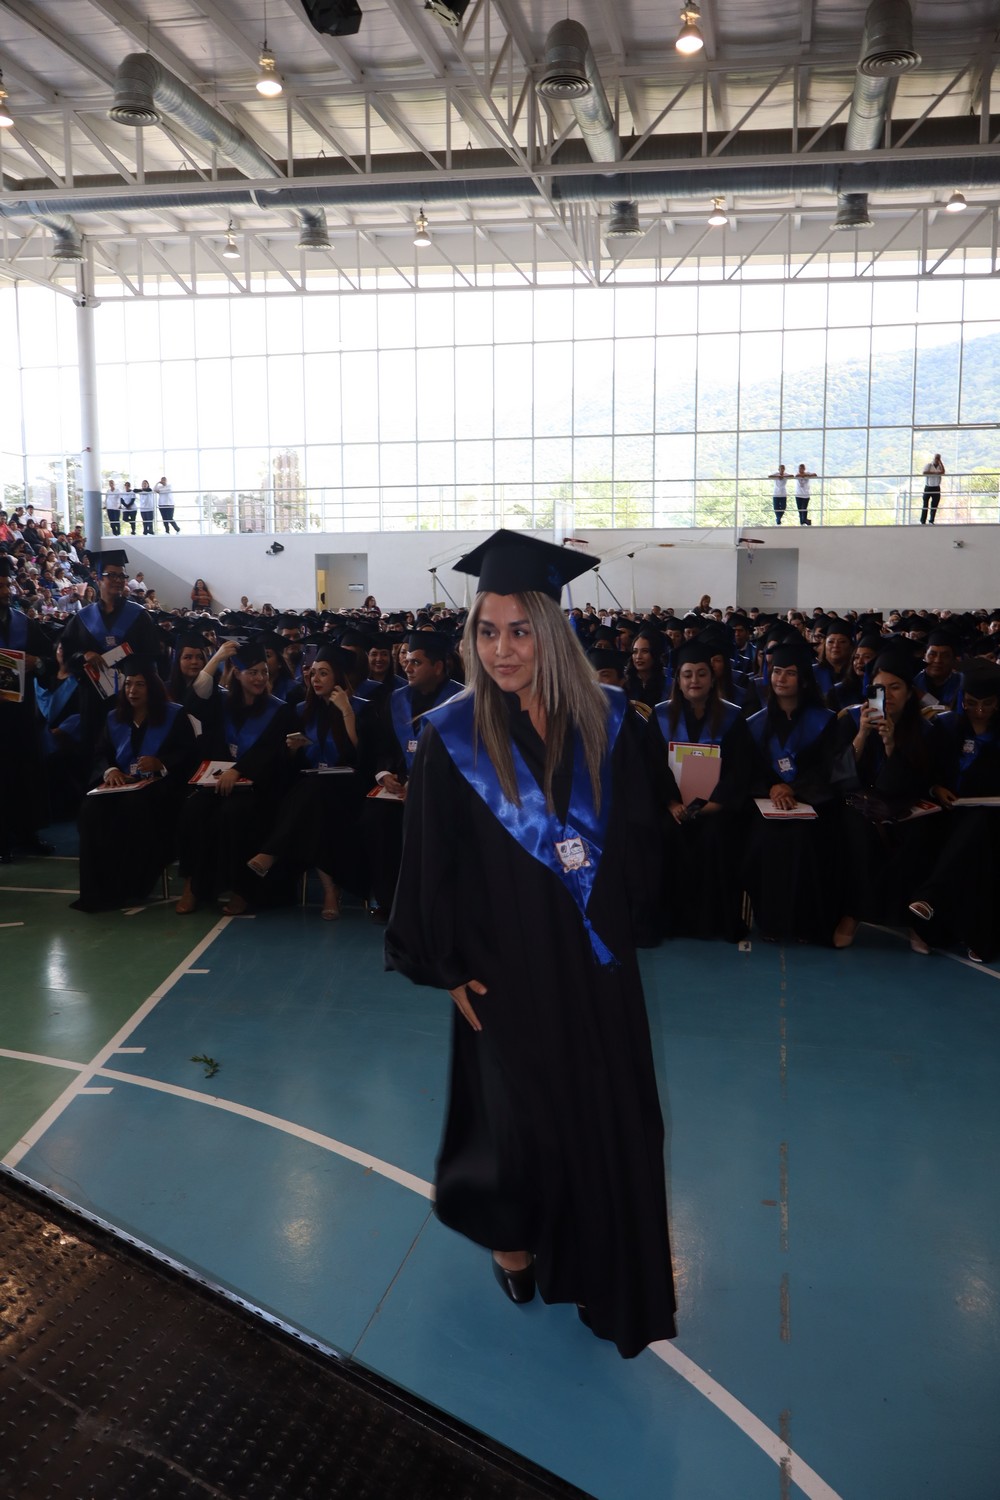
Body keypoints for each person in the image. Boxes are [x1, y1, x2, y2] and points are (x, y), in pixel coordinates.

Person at [385, 530, 676, 1360]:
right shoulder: (452, 738)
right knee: (519, 1123)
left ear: (551, 630)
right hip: (503, 966)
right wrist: (446, 967)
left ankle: (600, 1269)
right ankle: (513, 1242)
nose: (502, 649)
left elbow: (645, 839)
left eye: (519, 630)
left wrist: (629, 913)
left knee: (608, 1118)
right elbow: (430, 863)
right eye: (486, 631)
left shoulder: (612, 721)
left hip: (595, 962)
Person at [831, 650, 950, 952]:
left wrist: (890, 743)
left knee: (918, 835)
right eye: (880, 688)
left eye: (896, 687)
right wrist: (862, 734)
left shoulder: (925, 728)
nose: (888, 695)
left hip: (904, 804)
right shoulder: (850, 720)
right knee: (857, 831)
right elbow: (840, 776)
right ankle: (853, 913)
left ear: (910, 693)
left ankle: (914, 921)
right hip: (858, 802)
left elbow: (913, 782)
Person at [175, 638, 295, 916]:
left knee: (234, 812)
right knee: (193, 810)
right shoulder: (221, 703)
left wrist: (240, 770)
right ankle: (193, 884)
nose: (260, 678)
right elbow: (194, 700)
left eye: (264, 672)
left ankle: (242, 889)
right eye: (252, 672)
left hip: (258, 787)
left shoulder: (278, 710)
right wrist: (216, 658)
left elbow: (271, 750)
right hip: (218, 783)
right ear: (237, 673)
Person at [246, 646, 366, 919]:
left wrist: (347, 711)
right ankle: (330, 891)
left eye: (323, 673)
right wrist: (292, 750)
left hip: (348, 789)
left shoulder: (361, 707)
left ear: (338, 676)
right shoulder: (302, 710)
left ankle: (271, 853)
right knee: (315, 804)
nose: (316, 679)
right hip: (314, 790)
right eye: (313, 674)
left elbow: (360, 754)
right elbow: (292, 765)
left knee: (313, 796)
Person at [71, 660, 197, 912]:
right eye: (128, 684)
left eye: (140, 684)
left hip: (161, 788)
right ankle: (96, 889)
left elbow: (188, 754)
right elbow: (101, 753)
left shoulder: (174, 715)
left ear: (153, 688)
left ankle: (129, 885)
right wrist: (110, 770)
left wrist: (161, 763)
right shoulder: (114, 718)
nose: (132, 690)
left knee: (134, 806)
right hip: (122, 785)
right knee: (90, 808)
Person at [919, 454, 945, 525]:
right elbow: (924, 472)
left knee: (934, 505)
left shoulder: (940, 466)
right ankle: (923, 521)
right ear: (933, 458)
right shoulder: (929, 465)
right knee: (925, 504)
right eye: (936, 458)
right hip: (928, 487)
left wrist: (940, 462)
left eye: (938, 458)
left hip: (936, 487)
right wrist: (935, 473)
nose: (937, 460)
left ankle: (931, 520)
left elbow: (943, 472)